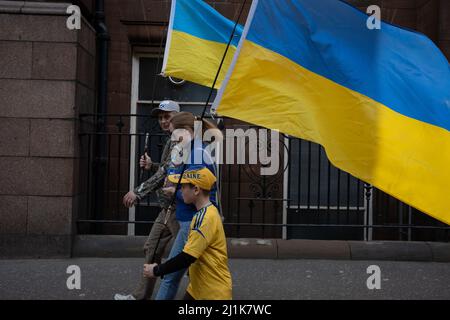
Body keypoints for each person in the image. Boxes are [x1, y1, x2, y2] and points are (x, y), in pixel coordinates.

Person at [114, 100, 180, 300]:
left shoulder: (179, 140)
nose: (163, 121)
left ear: (177, 116)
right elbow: (167, 170)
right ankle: (140, 297)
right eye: (160, 118)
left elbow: (166, 173)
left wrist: (138, 191)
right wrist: (152, 165)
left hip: (179, 209)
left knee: (188, 257)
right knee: (151, 248)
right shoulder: (172, 139)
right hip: (167, 208)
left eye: (167, 116)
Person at [154, 112, 222, 300]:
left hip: (192, 221)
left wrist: (172, 191)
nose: (173, 139)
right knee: (195, 275)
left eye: (176, 134)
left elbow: (196, 191)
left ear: (189, 131)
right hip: (190, 219)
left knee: (171, 276)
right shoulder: (192, 150)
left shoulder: (197, 154)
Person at [143, 167, 232, 300]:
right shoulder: (205, 213)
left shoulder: (205, 219)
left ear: (196, 190)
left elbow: (186, 257)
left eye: (183, 187)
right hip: (198, 289)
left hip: (212, 293)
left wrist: (156, 270)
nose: (180, 191)